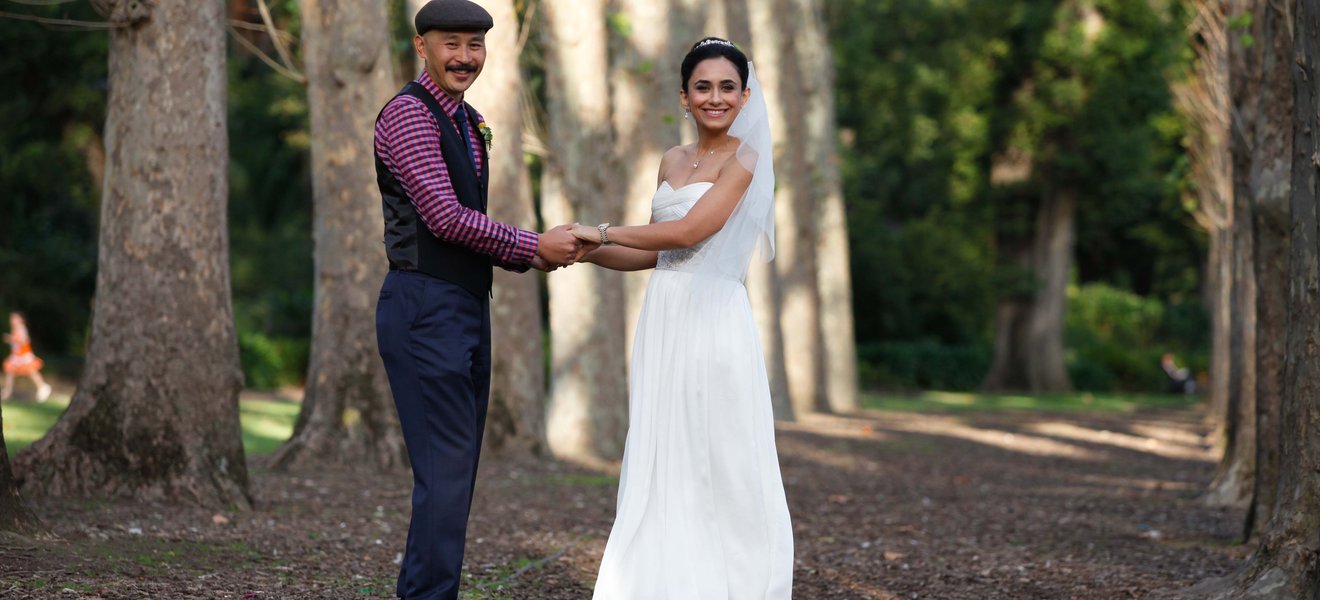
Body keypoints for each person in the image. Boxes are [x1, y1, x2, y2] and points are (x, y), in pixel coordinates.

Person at [372, 1, 587, 598]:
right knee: (444, 473)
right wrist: (532, 246)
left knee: (455, 473)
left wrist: (543, 249)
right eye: (451, 44)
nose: (465, 57)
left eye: (475, 45)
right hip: (423, 309)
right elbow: (442, 217)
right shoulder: (410, 117)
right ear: (422, 48)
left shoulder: (470, 122)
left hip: (465, 307)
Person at [566, 37, 794, 598]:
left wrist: (598, 229)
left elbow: (691, 232)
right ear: (685, 97)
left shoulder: (748, 159)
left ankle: (737, 582)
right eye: (703, 87)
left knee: (719, 451)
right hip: (664, 317)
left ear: (744, 97)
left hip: (714, 320)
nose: (715, 97)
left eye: (727, 87)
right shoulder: (672, 160)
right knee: (665, 448)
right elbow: (652, 250)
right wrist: (582, 251)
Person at [3, 312, 52, 402]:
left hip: (24, 355)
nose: (12, 320)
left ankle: (43, 387)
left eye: (14, 318)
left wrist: (11, 339)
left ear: (21, 320)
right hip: (17, 356)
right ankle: (7, 392)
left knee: (31, 371)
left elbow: (23, 340)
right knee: (11, 372)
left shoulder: (21, 328)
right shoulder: (15, 329)